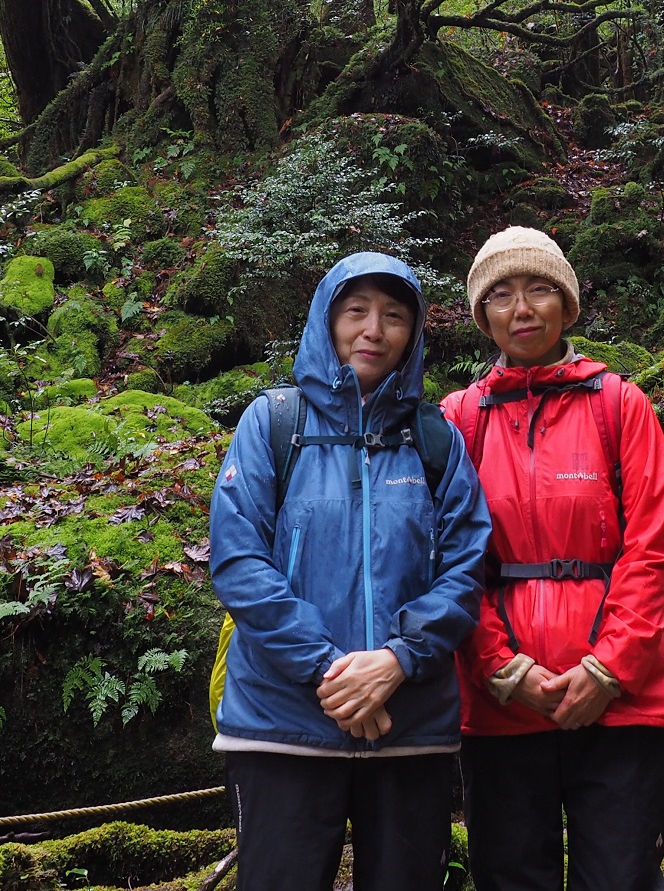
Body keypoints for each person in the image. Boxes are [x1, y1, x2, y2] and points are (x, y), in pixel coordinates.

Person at [208, 252, 490, 891]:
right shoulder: (275, 423)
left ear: (412, 335)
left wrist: (395, 660)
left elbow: (466, 563)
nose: (374, 330)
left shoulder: (436, 440)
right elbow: (239, 560)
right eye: (356, 311)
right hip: (285, 722)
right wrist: (330, 673)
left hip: (409, 724)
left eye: (394, 316)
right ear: (325, 321)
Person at [442, 226, 664, 891]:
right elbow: (450, 560)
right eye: (502, 295)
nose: (522, 309)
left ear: (567, 306)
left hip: (619, 699)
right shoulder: (460, 420)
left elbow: (651, 545)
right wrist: (499, 668)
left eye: (539, 289)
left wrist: (610, 667)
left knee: (622, 875)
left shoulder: (620, 406)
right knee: (511, 875)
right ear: (482, 315)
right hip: (503, 704)